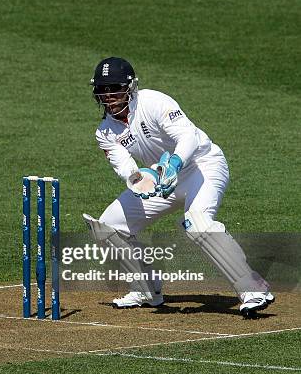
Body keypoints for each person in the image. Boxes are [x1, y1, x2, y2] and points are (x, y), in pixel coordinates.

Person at [82, 57, 274, 318]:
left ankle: (254, 289)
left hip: (201, 166)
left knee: (197, 223)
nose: (109, 96)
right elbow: (126, 167)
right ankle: (146, 290)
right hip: (162, 179)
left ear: (130, 87)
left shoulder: (154, 102)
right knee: (107, 226)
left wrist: (174, 162)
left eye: (114, 88)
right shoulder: (105, 131)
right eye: (103, 91)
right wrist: (141, 181)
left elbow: (188, 136)